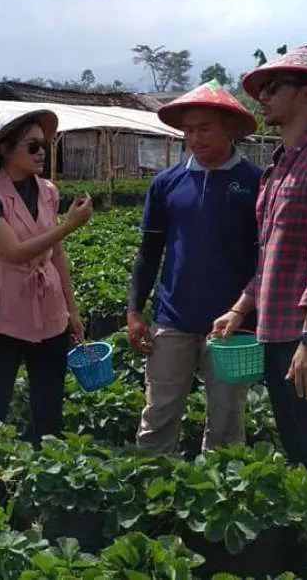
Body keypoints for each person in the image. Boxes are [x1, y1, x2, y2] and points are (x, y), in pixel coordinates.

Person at [211, 45, 307, 494]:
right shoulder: (278, 168)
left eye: (272, 87)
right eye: (262, 87)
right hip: (277, 330)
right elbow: (274, 256)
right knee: (299, 443)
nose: (262, 95)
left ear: (306, 94)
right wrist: (241, 310)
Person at [127, 80, 262, 456]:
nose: (194, 137)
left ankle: (217, 497)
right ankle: (154, 491)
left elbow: (269, 255)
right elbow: (149, 251)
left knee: (227, 421)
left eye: (204, 128)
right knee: (159, 412)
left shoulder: (255, 183)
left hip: (234, 325)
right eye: (188, 130)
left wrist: (246, 311)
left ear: (229, 128)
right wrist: (135, 311)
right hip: (173, 318)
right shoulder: (166, 184)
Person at [0, 108, 93, 445]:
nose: (41, 153)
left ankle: (45, 473)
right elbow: (15, 253)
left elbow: (57, 254)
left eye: (44, 146)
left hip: (48, 306)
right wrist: (70, 225)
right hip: (2, 308)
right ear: (5, 150)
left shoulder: (49, 191)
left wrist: (72, 309)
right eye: (32, 146)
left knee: (49, 401)